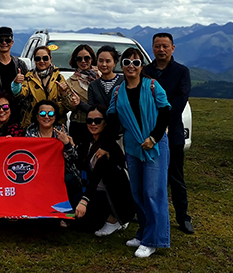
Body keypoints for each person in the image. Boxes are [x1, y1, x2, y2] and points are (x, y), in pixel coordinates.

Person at [107, 47, 171, 258]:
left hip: (155, 145)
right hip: (133, 146)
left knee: (153, 192)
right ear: (122, 65)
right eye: (127, 62)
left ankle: (153, 240)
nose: (131, 67)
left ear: (142, 66)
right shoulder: (118, 91)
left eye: (135, 63)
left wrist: (154, 137)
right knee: (138, 192)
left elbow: (165, 112)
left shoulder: (152, 86)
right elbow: (113, 118)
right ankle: (144, 232)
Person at [144, 32, 194, 234]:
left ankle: (183, 217)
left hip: (172, 132)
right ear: (152, 48)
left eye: (165, 46)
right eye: (157, 46)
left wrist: (163, 122)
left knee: (176, 177)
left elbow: (181, 100)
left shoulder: (182, 72)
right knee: (148, 177)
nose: (161, 50)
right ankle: (146, 214)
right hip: (147, 132)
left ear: (173, 48)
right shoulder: (145, 71)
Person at [73, 105, 135, 235]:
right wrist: (68, 145)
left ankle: (115, 218)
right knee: (75, 206)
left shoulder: (109, 146)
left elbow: (97, 175)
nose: (93, 124)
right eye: (89, 121)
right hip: (95, 191)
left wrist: (85, 200)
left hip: (112, 193)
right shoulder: (87, 143)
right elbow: (79, 165)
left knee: (86, 225)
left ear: (105, 123)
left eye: (97, 121)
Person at [25, 100, 81, 219]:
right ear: (37, 116)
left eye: (50, 114)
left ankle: (65, 215)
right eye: (42, 113)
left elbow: (74, 158)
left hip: (61, 172)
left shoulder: (62, 131)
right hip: (38, 173)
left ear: (55, 117)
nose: (46, 117)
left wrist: (67, 144)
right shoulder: (30, 132)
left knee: (69, 179)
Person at [11, 46, 78, 129]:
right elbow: (20, 94)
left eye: (45, 58)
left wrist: (64, 94)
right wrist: (16, 84)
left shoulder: (59, 78)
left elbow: (70, 106)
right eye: (38, 59)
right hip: (33, 125)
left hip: (56, 125)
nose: (41, 61)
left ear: (50, 58)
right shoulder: (28, 78)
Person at [60, 44, 100, 147]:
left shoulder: (101, 77)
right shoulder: (70, 82)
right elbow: (71, 107)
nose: (83, 61)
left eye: (87, 58)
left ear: (92, 59)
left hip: (100, 124)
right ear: (75, 61)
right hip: (80, 125)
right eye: (79, 59)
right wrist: (64, 94)